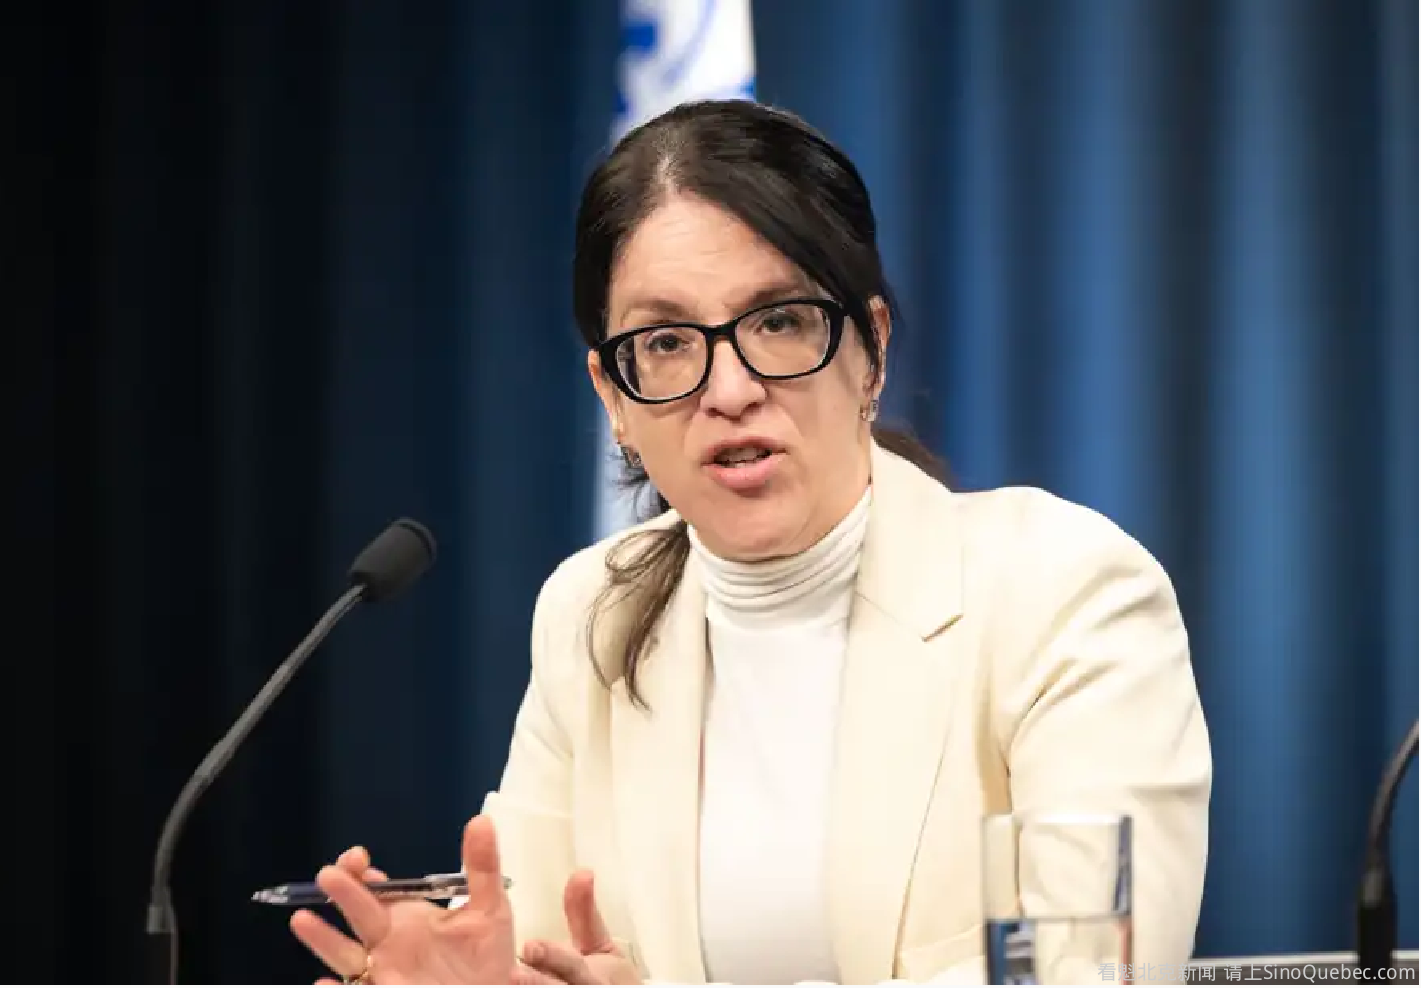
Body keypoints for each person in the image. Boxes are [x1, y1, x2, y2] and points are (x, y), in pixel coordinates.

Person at [287, 99, 1212, 986]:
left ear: (871, 349)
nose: (728, 390)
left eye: (778, 322)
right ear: (613, 397)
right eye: (665, 341)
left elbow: (1098, 970)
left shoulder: (1064, 590)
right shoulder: (592, 613)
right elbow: (531, 943)